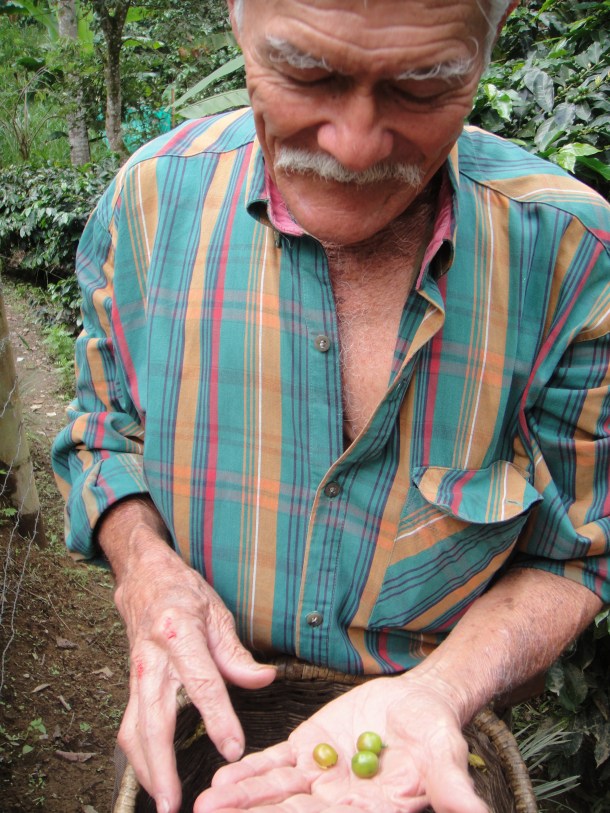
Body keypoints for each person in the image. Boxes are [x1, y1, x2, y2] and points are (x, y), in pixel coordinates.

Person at [52, 0, 610, 811]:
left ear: (495, 35)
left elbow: (577, 552)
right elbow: (102, 435)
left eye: (422, 86)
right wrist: (147, 573)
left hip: (422, 766)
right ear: (236, 20)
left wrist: (441, 689)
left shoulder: (575, 258)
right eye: (305, 73)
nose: (353, 144)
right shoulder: (147, 206)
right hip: (194, 740)